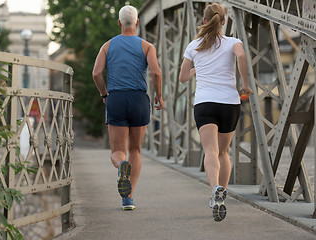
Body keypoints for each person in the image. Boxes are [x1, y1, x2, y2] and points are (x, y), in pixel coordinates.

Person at [179, 3, 252, 221]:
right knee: (223, 152)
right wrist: (245, 84)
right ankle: (223, 192)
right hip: (229, 103)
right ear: (223, 21)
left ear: (204, 21)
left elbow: (182, 77)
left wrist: (195, 70)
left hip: (205, 103)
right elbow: (240, 57)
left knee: (210, 151)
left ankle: (215, 189)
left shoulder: (194, 45)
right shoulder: (233, 42)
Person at [92, 5, 163, 211]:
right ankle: (129, 198)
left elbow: (96, 73)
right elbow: (156, 73)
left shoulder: (107, 46)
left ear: (119, 23)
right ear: (138, 23)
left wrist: (104, 93)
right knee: (135, 150)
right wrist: (158, 95)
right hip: (139, 99)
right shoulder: (147, 46)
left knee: (118, 151)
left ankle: (121, 165)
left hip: (116, 98)